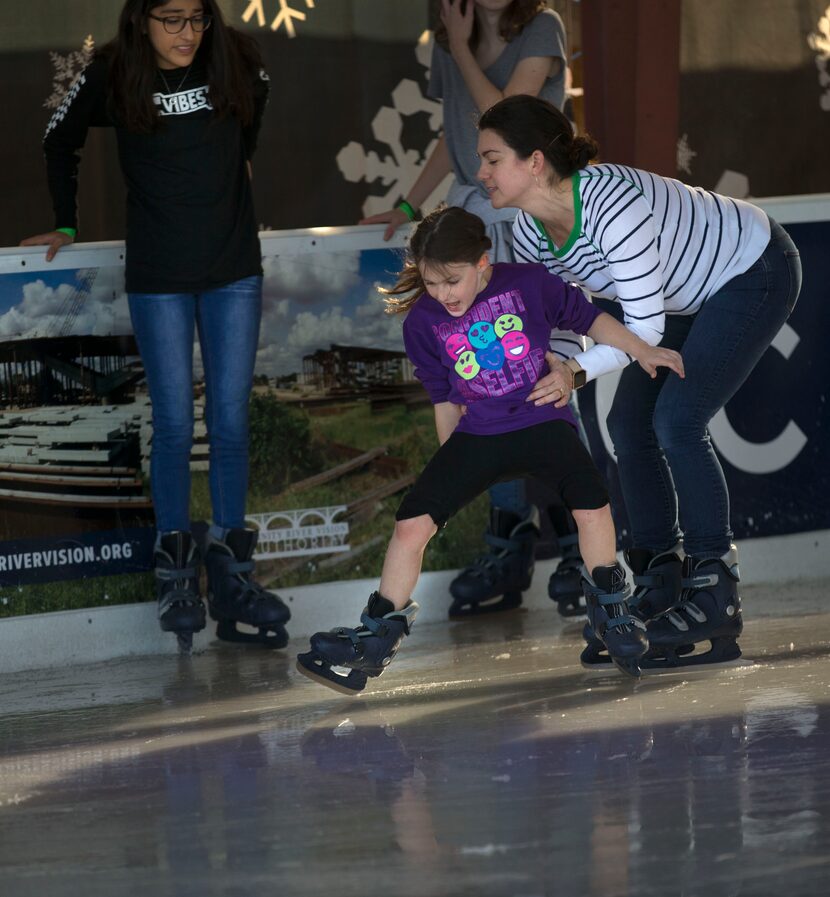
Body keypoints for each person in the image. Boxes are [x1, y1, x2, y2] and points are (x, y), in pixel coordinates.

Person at [297, 207, 686, 694]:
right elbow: (443, 400)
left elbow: (592, 319)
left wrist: (642, 349)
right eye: (431, 283)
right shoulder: (421, 323)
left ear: (483, 263)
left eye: (451, 281)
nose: (442, 295)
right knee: (410, 524)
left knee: (593, 503)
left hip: (543, 418)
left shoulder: (529, 283)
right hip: (478, 433)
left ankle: (612, 610)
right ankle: (376, 635)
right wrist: (449, 471)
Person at [475, 94, 803, 670]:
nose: (480, 173)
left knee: (677, 421)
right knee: (627, 423)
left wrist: (574, 372)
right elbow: (560, 322)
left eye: (491, 158)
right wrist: (544, 373)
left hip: (751, 269)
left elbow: (644, 326)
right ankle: (660, 576)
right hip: (681, 294)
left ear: (533, 162)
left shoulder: (609, 203)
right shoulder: (529, 232)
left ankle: (714, 591)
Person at [20, 0, 290, 652]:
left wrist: (240, 163)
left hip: (233, 270)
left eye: (196, 18)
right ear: (141, 18)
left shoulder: (238, 59)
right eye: (171, 19)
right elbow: (60, 137)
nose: (187, 34)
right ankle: (176, 578)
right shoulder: (113, 72)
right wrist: (65, 221)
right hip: (159, 277)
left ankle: (233, 578)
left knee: (229, 423)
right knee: (172, 423)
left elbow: (255, 110)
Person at [361, 0, 581, 620]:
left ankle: (572, 536)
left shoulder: (542, 28)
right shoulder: (448, 37)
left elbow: (500, 123)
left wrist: (460, 47)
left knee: (537, 367)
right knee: (479, 382)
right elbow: (455, 136)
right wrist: (407, 207)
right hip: (469, 205)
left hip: (517, 208)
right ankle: (508, 536)